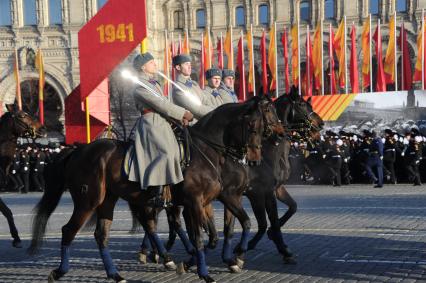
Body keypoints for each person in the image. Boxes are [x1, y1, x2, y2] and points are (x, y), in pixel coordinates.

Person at [127, 52, 193, 207]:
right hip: (151, 123)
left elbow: (165, 103)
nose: (155, 65)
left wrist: (178, 117)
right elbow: (159, 104)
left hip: (163, 121)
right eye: (151, 63)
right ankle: (154, 192)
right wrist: (183, 113)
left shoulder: (154, 83)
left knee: (180, 149)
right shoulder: (140, 86)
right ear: (143, 68)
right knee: (166, 153)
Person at [171, 54, 215, 121]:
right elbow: (196, 108)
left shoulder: (194, 84)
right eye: (186, 64)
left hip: (205, 121)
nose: (189, 67)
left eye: (190, 64)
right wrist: (215, 113)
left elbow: (206, 101)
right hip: (193, 125)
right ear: (178, 67)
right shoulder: (178, 88)